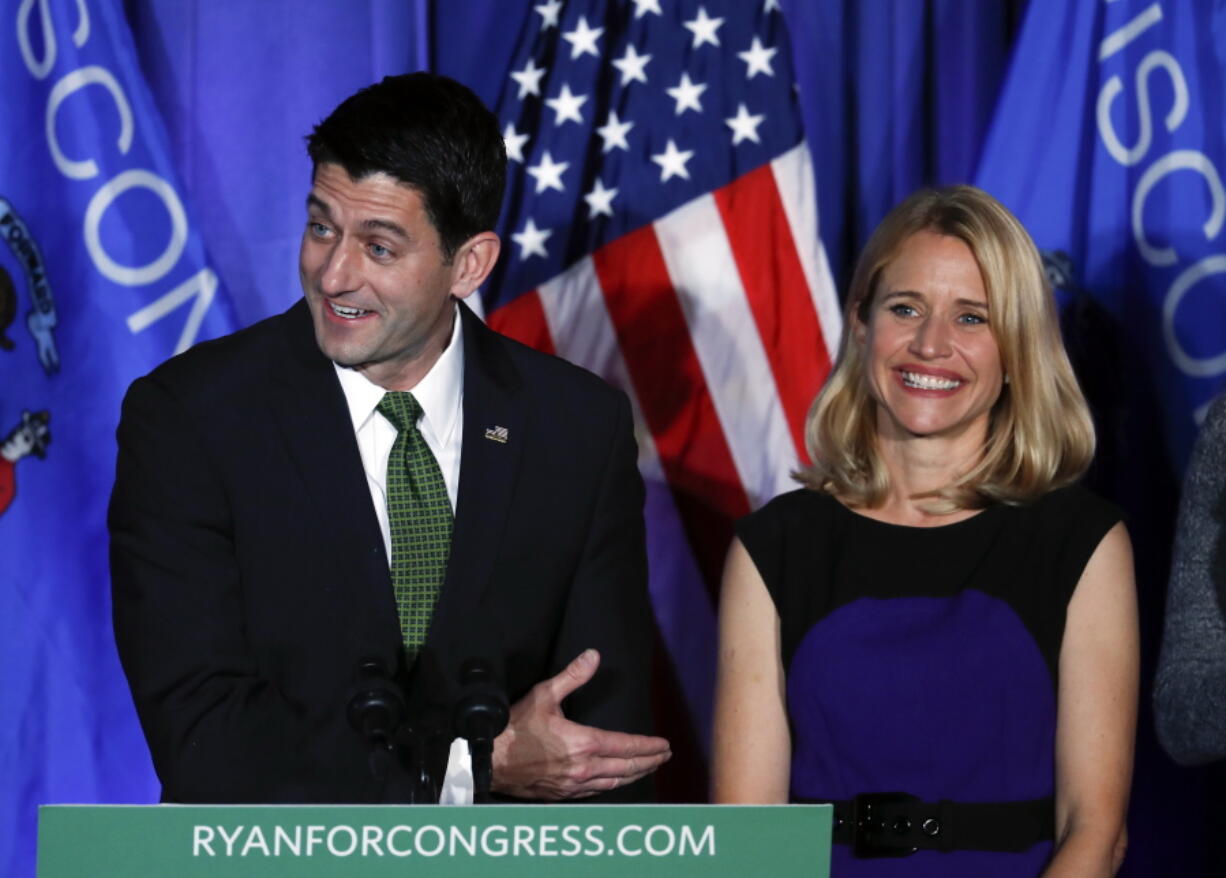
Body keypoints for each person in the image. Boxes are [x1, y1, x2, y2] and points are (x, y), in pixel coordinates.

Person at [109, 72, 669, 804]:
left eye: (378, 247)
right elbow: (200, 734)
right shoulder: (192, 419)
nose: (333, 274)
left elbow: (599, 747)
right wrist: (468, 769)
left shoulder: (576, 429)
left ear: (467, 264)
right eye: (321, 227)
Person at [712, 185, 1137, 877]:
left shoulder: (1081, 541)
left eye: (973, 318)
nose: (931, 344)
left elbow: (1095, 829)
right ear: (860, 325)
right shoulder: (775, 546)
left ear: (1017, 352)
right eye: (905, 308)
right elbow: (746, 836)